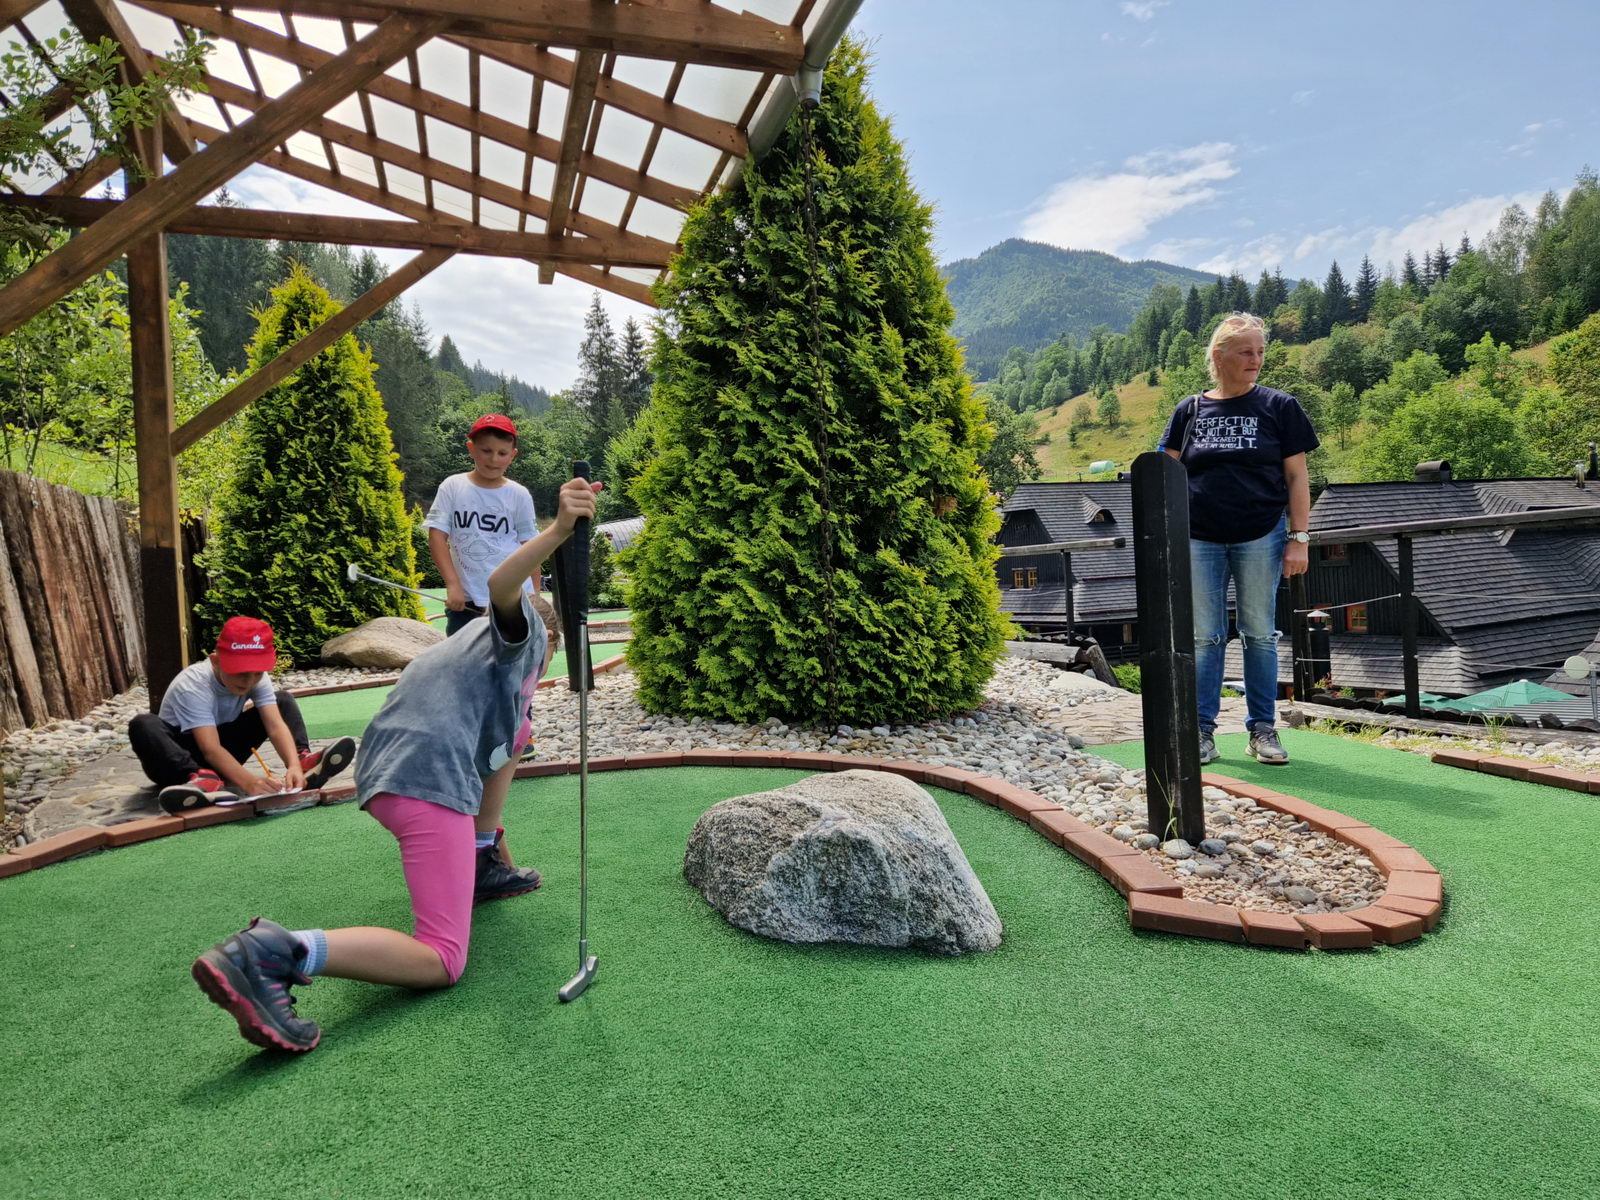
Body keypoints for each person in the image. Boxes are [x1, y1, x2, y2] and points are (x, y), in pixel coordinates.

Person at [190, 474, 598, 1054]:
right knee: (442, 958)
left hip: (387, 774)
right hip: (425, 782)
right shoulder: (524, 634)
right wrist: (558, 530)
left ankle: (479, 859)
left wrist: (491, 843)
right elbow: (503, 584)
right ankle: (276, 951)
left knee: (519, 729)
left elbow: (507, 741)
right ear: (547, 640)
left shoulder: (462, 648)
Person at [1158, 312, 1318, 766]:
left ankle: (1262, 730)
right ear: (1219, 355)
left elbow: (1297, 476)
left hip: (1260, 536)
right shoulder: (1190, 410)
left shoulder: (1279, 406)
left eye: (1260, 351)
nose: (1256, 359)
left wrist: (1299, 538)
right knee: (1205, 637)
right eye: (1246, 351)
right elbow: (1163, 472)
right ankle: (1201, 732)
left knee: (1259, 634)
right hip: (1198, 539)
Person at [128, 616, 357, 814]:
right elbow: (210, 748)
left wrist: (292, 766)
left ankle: (302, 763)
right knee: (143, 724)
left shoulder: (256, 678)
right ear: (216, 661)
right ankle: (199, 779)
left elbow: (275, 725)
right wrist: (250, 782)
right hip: (175, 760)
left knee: (282, 700)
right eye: (240, 673)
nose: (249, 681)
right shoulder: (193, 684)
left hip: (221, 753)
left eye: (257, 674)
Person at [424, 413, 540, 636]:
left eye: (502, 453)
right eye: (486, 450)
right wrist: (452, 584)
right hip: (466, 600)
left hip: (514, 599)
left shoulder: (519, 494)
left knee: (515, 656)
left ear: (512, 455)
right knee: (462, 656)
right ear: (471, 448)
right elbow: (437, 536)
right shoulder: (452, 487)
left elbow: (531, 548)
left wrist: (535, 594)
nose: (494, 459)